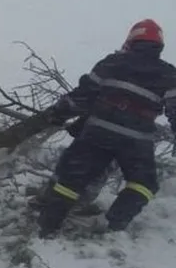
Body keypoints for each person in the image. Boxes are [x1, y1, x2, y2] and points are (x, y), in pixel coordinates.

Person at [35, 19, 176, 237]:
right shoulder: (169, 74)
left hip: (99, 130)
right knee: (143, 184)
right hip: (137, 139)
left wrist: (58, 114)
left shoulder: (113, 63)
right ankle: (111, 228)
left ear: (131, 40)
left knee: (70, 178)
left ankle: (46, 228)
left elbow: (83, 96)